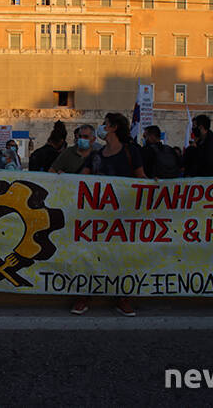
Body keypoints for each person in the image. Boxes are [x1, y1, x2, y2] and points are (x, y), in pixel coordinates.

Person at [73, 113, 146, 318]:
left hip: (123, 217)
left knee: (120, 258)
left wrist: (158, 186)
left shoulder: (131, 152)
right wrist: (62, 179)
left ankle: (122, 298)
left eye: (105, 124)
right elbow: (79, 180)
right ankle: (84, 295)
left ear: (114, 128)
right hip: (96, 217)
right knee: (91, 256)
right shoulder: (96, 156)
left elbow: (141, 178)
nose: (102, 127)